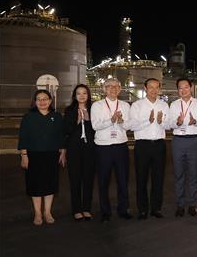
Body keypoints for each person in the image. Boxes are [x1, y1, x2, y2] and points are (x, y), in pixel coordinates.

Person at [18, 89, 66, 225]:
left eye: (45, 99)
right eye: (39, 99)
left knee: (50, 184)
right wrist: (24, 155)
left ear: (50, 101)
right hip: (33, 156)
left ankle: (47, 212)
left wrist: (63, 152)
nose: (42, 101)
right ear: (35, 101)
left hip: (51, 155)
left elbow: (61, 136)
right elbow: (23, 137)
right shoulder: (28, 117)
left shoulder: (56, 116)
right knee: (35, 185)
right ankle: (38, 213)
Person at [91, 78, 132, 222]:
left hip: (121, 145)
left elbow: (129, 126)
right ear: (104, 89)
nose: (113, 89)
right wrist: (112, 119)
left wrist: (121, 122)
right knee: (103, 180)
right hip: (103, 147)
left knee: (122, 179)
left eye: (116, 86)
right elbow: (95, 126)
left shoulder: (126, 105)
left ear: (120, 89)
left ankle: (123, 209)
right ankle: (105, 212)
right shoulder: (97, 105)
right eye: (109, 86)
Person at [130, 78, 169, 220]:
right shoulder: (137, 105)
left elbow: (169, 125)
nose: (153, 90)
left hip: (159, 144)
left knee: (158, 178)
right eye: (150, 87)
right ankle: (142, 209)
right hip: (143, 145)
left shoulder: (164, 105)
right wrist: (149, 120)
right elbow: (132, 126)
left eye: (156, 87)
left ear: (159, 89)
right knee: (141, 178)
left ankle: (156, 208)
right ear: (145, 88)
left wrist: (161, 122)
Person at [168, 78, 197, 217]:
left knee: (193, 174)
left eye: (186, 87)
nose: (183, 90)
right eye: (180, 88)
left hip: (193, 141)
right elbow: (170, 123)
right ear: (177, 90)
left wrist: (195, 121)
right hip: (178, 141)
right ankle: (180, 204)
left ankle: (192, 204)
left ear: (191, 88)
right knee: (179, 174)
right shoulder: (174, 104)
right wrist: (177, 122)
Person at [63, 84, 96, 221]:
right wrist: (77, 120)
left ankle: (86, 208)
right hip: (74, 149)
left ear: (88, 95)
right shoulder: (69, 110)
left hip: (90, 149)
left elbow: (97, 129)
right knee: (75, 179)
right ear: (75, 96)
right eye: (78, 93)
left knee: (88, 179)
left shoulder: (94, 109)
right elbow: (66, 130)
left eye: (84, 93)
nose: (82, 96)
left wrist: (88, 119)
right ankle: (77, 209)